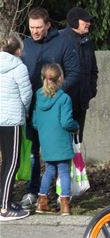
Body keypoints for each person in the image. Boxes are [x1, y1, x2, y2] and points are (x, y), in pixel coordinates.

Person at [20, 7, 80, 210]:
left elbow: (74, 73)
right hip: (33, 110)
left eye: (38, 27)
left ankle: (59, 196)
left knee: (59, 158)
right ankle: (34, 192)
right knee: (34, 153)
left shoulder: (63, 44)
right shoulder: (26, 46)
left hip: (56, 112)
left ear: (47, 25)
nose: (35, 31)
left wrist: (53, 91)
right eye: (31, 27)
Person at [32, 64, 79, 215]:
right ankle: (65, 204)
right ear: (60, 78)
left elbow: (35, 121)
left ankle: (41, 202)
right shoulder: (64, 98)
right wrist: (75, 126)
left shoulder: (38, 95)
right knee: (64, 171)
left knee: (49, 170)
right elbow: (66, 122)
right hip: (61, 140)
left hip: (46, 141)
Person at [0, 33, 32, 221]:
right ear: (18, 50)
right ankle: (4, 208)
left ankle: (5, 200)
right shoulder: (19, 67)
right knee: (12, 163)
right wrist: (24, 112)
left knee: (5, 163)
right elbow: (26, 96)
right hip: (12, 120)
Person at [60, 7, 99, 142]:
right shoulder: (60, 39)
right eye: (85, 20)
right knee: (63, 140)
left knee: (77, 141)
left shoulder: (87, 41)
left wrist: (91, 91)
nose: (89, 23)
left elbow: (93, 70)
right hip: (64, 100)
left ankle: (76, 164)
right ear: (75, 21)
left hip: (81, 101)